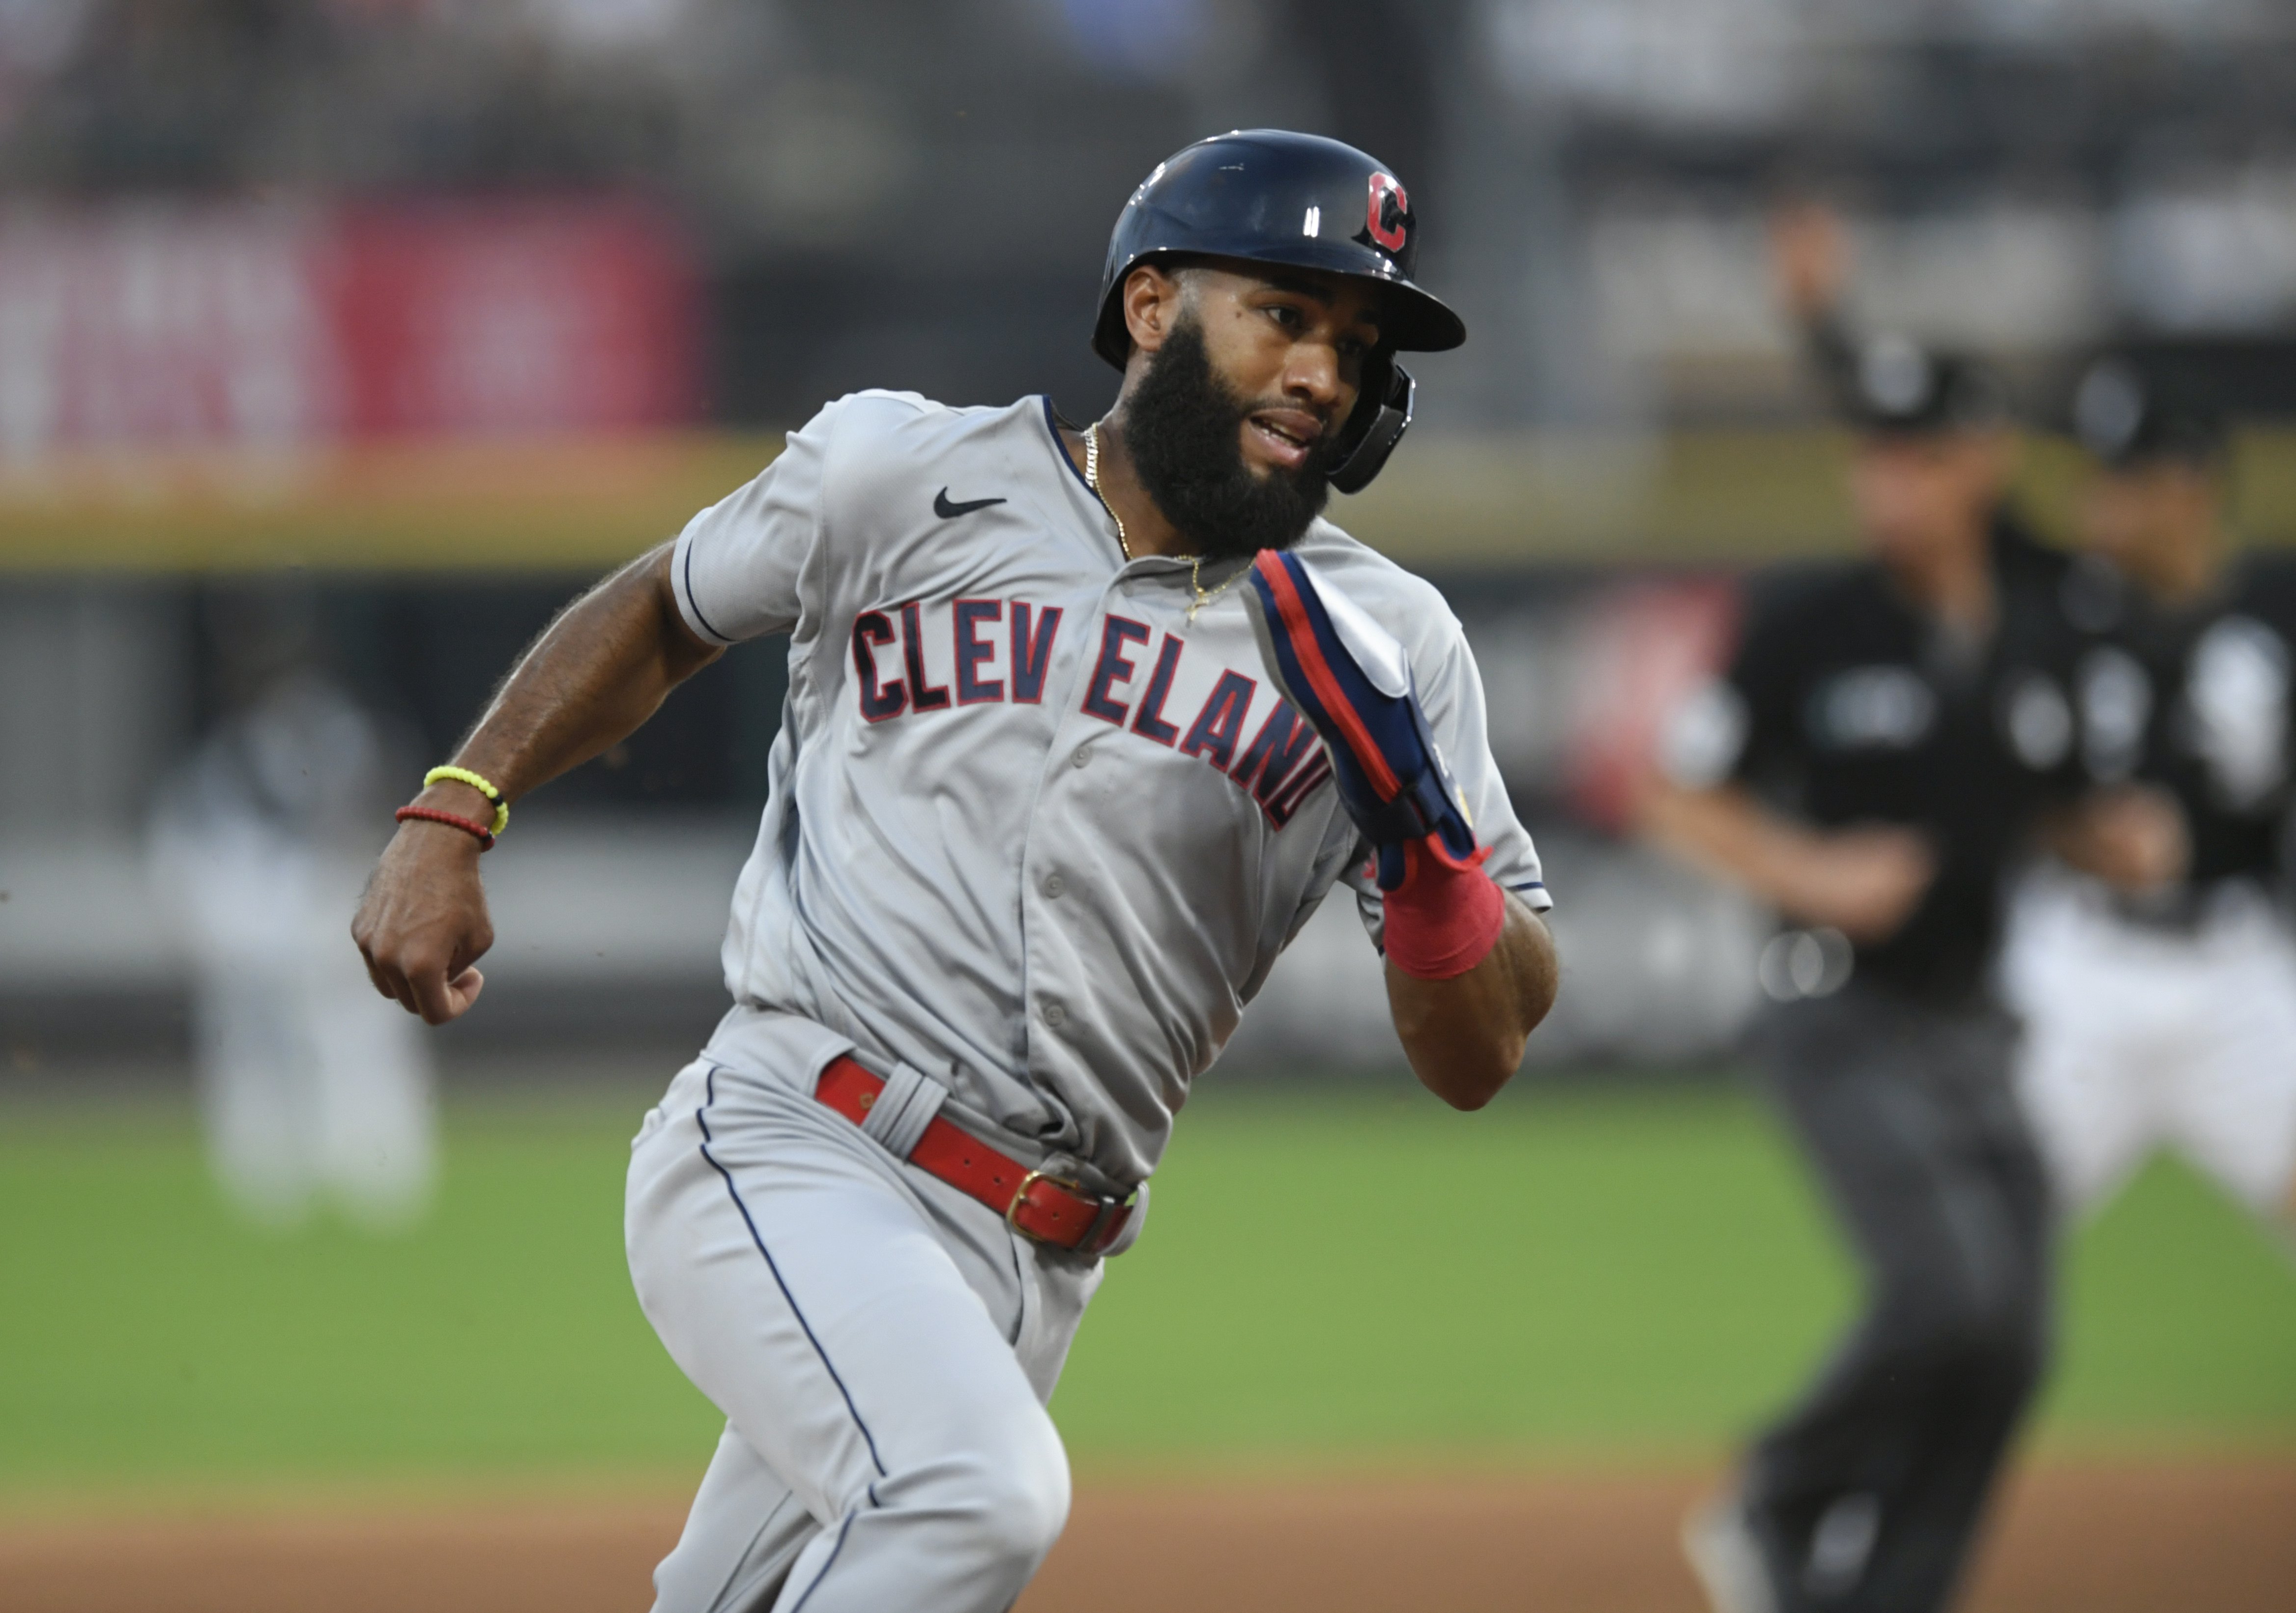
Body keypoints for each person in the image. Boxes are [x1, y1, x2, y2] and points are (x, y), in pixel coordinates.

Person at [349, 129, 1558, 1613]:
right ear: (1154, 307)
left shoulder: (1388, 647)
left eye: (1359, 345)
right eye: (1287, 315)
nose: (1324, 371)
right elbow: (665, 608)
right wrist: (454, 810)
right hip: (802, 1139)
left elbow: (1480, 1049)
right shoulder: (896, 471)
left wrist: (1428, 843)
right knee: (972, 1494)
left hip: (1039, 1257)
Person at [1642, 336, 2096, 1613]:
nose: (1886, 481)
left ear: (1983, 464)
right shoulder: (1810, 619)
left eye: (1918, 455)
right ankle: (1777, 1495)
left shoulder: (2041, 623)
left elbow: (2043, 797)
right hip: (1832, 1004)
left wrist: (2098, 838)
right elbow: (1672, 794)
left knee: (2012, 1344)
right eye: (1872, 455)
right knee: (1948, 1295)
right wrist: (1810, 868)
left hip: (1973, 1018)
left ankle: (1890, 1591)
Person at [1999, 358, 2296, 1395]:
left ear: (2184, 487)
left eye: (2116, 479)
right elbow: (1987, 787)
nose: (2091, 502)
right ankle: (1858, 1525)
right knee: (1968, 1268)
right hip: (2077, 970)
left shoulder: (2291, 629)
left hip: (2238, 972)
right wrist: (2074, 836)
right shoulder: (2056, 610)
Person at [149, 577, 436, 1231]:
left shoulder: (333, 727)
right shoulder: (232, 745)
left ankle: (371, 1176)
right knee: (262, 1044)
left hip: (324, 900)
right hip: (262, 909)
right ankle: (282, 1180)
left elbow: (369, 813)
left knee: (351, 1037)